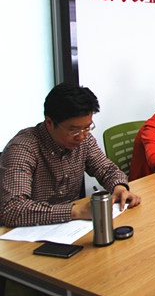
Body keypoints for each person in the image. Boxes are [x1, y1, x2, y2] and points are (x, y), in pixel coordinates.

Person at [0, 83, 141, 227]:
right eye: (74, 130)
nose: (81, 136)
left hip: (71, 227)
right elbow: (12, 209)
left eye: (87, 127)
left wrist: (119, 188)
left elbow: (107, 170)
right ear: (49, 122)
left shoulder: (84, 140)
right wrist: (77, 211)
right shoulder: (23, 148)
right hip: (28, 231)